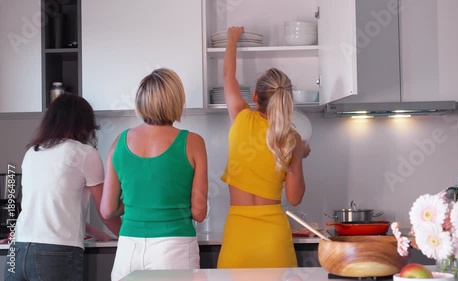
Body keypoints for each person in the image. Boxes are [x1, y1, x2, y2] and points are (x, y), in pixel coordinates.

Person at [101, 68, 208, 281]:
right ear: (176, 100)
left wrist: (136, 200)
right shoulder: (193, 142)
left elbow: (107, 209)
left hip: (128, 250)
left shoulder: (118, 142)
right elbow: (199, 212)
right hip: (174, 250)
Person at [217, 26, 311, 268]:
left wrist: (232, 39)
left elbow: (228, 76)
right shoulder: (292, 140)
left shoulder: (240, 117)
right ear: (287, 101)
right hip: (274, 242)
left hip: (238, 238)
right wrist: (298, 155)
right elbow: (295, 197)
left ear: (256, 98)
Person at [4, 93, 122, 281]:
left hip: (17, 250)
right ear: (84, 124)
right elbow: (105, 210)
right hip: (55, 253)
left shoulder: (33, 152)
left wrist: (93, 231)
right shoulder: (84, 153)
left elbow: (50, 206)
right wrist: (127, 237)